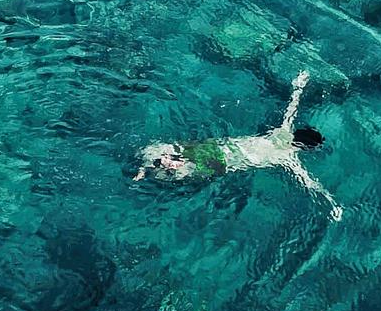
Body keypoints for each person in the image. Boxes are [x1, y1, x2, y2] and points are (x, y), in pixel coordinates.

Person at [135, 69, 343, 220]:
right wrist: (333, 204)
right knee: (180, 173)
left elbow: (292, 106)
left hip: (217, 146)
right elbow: (310, 183)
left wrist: (299, 84)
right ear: (305, 148)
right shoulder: (287, 159)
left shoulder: (282, 131)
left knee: (156, 150)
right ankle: (158, 169)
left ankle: (150, 164)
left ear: (298, 133)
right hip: (221, 162)